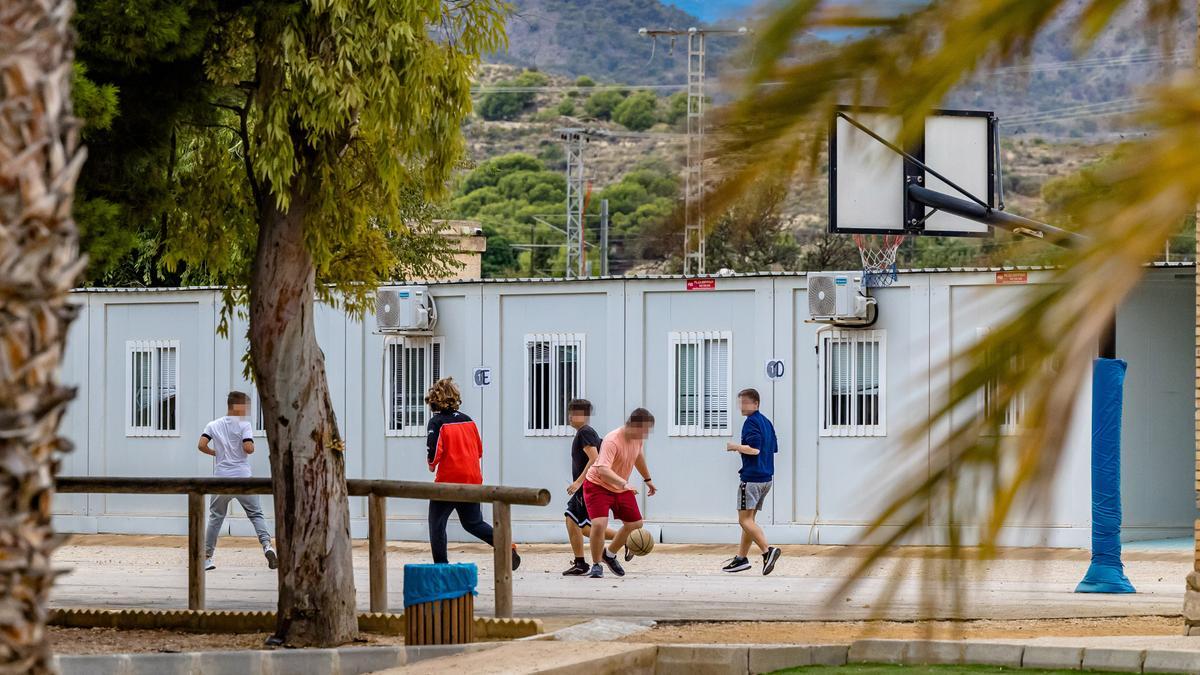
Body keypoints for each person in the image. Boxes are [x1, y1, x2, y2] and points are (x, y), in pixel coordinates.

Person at [426, 377, 520, 570]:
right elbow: (479, 450)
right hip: (472, 479)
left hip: (448, 482)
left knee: (437, 524)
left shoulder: (437, 422)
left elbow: (434, 451)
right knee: (473, 523)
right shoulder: (468, 420)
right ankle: (506, 547)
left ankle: (441, 567)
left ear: (434, 399)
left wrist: (431, 464)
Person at [198, 391, 277, 571]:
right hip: (243, 478)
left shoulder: (213, 425)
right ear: (237, 406)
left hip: (221, 479)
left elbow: (201, 445)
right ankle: (268, 547)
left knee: (216, 517)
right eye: (245, 406)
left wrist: (215, 453)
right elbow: (248, 448)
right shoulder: (244, 425)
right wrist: (252, 446)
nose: (247, 410)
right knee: (256, 515)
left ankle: (207, 558)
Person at [582, 408, 658, 578]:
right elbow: (602, 470)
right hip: (597, 485)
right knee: (599, 524)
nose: (646, 433)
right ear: (634, 424)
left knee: (635, 523)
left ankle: (609, 554)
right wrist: (624, 483)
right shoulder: (612, 440)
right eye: (645, 429)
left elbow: (637, 456)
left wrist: (647, 479)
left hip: (620, 487)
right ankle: (596, 565)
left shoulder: (637, 439)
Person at [724, 388, 782, 575]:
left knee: (744, 520)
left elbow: (754, 449)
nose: (741, 406)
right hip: (766, 479)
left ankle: (767, 551)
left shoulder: (750, 422)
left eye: (745, 402)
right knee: (749, 520)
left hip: (751, 479)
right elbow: (772, 449)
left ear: (756, 403)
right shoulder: (766, 422)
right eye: (740, 402)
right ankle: (741, 559)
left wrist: (735, 447)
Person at [562, 399, 619, 576]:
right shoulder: (586, 433)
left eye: (574, 413)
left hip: (587, 486)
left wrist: (579, 481)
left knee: (583, 525)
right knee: (575, 522)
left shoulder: (585, 432)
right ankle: (581, 562)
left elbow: (594, 459)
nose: (570, 417)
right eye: (569, 412)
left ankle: (624, 539)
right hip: (588, 486)